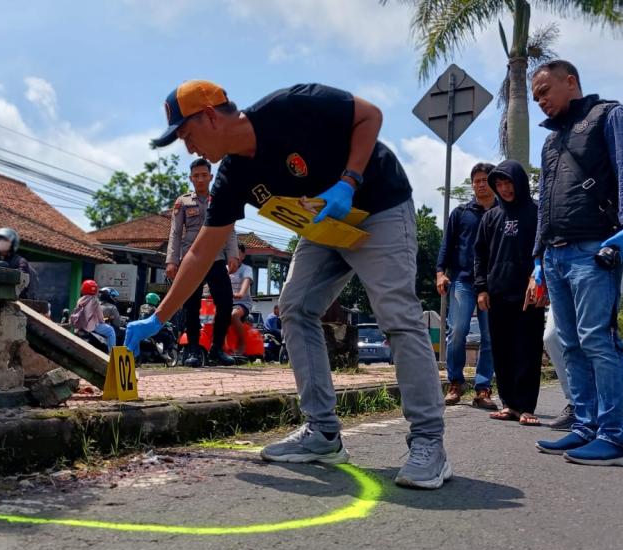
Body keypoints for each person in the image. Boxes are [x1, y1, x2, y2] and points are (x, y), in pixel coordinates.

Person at [125, 80, 450, 489]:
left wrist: (348, 182)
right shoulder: (232, 177)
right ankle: (323, 434)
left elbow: (371, 115)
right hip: (323, 226)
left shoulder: (291, 105)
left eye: (188, 136)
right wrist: (159, 317)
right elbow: (200, 252)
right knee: (294, 307)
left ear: (209, 116)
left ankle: (429, 442)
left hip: (377, 205)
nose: (189, 150)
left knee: (396, 314)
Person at [529, 60, 623, 466]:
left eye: (545, 91)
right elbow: (545, 202)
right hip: (556, 253)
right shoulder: (551, 142)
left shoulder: (611, 116)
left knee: (598, 340)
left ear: (571, 82)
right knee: (569, 343)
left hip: (594, 249)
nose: (540, 101)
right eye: (535, 98)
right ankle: (585, 426)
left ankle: (617, 438)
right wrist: (538, 256)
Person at [474, 161, 546, 426]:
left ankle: (526, 406)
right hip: (497, 292)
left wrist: (541, 282)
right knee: (502, 350)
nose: (505, 189)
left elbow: (546, 250)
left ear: (520, 182)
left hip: (529, 294)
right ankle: (509, 404)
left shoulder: (537, 212)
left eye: (509, 183)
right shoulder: (491, 216)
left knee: (528, 349)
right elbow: (479, 255)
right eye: (499, 184)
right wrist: (481, 288)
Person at [167, 158, 240, 368]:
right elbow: (175, 232)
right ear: (191, 178)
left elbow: (229, 229)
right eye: (196, 176)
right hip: (190, 260)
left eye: (203, 175)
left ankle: (217, 348)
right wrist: (172, 260)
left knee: (226, 302)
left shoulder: (220, 199)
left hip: (215, 259)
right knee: (192, 306)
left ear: (211, 177)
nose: (200, 179)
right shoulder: (182, 202)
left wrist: (232, 255)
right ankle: (192, 351)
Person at [437, 163, 498, 409]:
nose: (481, 184)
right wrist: (440, 272)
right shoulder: (461, 213)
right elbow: (447, 244)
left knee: (489, 337)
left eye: (485, 180)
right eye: (477, 180)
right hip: (462, 279)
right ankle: (455, 383)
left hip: (493, 283)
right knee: (457, 332)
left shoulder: (502, 212)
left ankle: (483, 388)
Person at [545, 307, 576, 430]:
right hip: (561, 287)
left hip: (598, 288)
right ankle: (576, 403)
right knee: (551, 337)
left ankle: (610, 414)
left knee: (594, 340)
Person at [0, 227, 38, 300]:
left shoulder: (20, 261)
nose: (1, 242)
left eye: (5, 240)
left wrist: (6, 272)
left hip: (18, 301)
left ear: (13, 243)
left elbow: (21, 282)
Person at [70, 280, 116, 352]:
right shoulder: (95, 300)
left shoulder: (80, 300)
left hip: (80, 325)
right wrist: (103, 322)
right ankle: (112, 354)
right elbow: (100, 317)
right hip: (92, 326)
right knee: (111, 331)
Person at [228, 241, 254, 355]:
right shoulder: (224, 269)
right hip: (226, 302)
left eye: (238, 254)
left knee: (233, 315)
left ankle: (242, 343)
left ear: (243, 255)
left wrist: (240, 293)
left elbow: (246, 281)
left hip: (242, 303)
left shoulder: (246, 269)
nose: (235, 256)